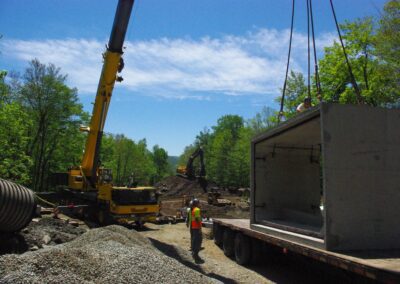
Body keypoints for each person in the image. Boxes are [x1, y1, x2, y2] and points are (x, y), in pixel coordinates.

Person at [191, 198, 203, 262]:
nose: (200, 204)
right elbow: (197, 219)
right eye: (199, 203)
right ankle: (196, 256)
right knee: (198, 242)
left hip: (193, 227)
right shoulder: (197, 210)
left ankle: (193, 253)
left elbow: (194, 219)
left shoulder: (193, 210)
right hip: (197, 228)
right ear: (197, 203)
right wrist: (200, 228)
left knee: (194, 240)